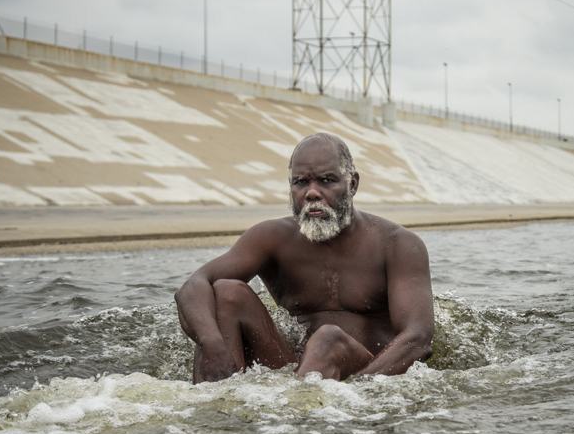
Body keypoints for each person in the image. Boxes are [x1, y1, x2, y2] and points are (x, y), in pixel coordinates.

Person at [175, 132, 434, 383]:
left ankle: (295, 412)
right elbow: (194, 285)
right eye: (300, 182)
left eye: (326, 180)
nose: (311, 193)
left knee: (329, 340)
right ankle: (212, 408)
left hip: (366, 371)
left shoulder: (397, 244)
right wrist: (211, 342)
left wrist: (358, 390)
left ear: (352, 184)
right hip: (293, 371)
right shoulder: (271, 237)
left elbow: (417, 339)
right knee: (226, 292)